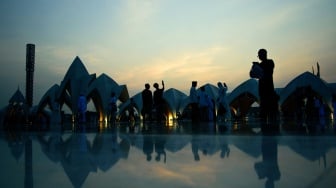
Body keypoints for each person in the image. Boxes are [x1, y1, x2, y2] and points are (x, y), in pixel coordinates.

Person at [252, 49, 279, 127]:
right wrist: (255, 66)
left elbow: (267, 71)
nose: (259, 57)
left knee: (271, 113)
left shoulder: (270, 62)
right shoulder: (261, 65)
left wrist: (258, 66)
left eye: (259, 55)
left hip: (269, 91)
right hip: (263, 91)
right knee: (263, 113)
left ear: (264, 55)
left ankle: (272, 131)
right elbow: (252, 74)